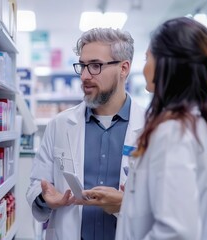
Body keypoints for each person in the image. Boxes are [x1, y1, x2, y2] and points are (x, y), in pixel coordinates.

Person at [113, 16, 207, 239]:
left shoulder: (174, 132)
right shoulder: (203, 124)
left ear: (166, 63)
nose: (145, 67)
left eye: (148, 58)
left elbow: (176, 232)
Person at [26, 27, 145, 240]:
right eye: (82, 66)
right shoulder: (61, 124)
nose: (84, 76)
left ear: (124, 68)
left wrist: (126, 202)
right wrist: (45, 197)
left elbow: (164, 202)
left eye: (95, 66)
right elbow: (36, 183)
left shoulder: (149, 127)